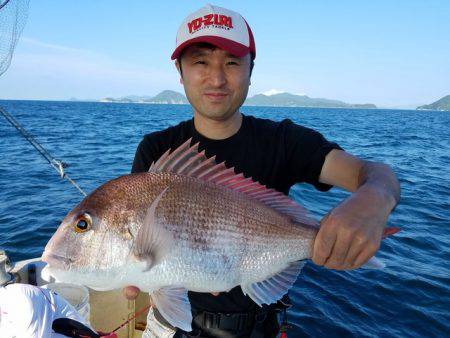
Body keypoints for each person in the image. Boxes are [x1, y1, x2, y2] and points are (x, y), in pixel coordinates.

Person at [124, 4, 400, 338]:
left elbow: (372, 173)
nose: (217, 78)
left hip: (261, 327)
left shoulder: (284, 141)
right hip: (173, 328)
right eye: (200, 61)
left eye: (231, 62)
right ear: (180, 71)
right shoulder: (156, 150)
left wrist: (374, 198)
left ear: (251, 71)